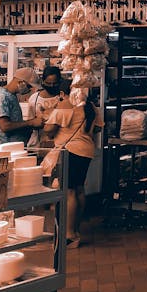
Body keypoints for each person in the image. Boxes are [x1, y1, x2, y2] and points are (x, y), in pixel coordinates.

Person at [43, 87, 103, 248]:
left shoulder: (66, 105)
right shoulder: (90, 106)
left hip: (70, 151)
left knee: (68, 192)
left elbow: (49, 130)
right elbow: (98, 127)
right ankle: (75, 230)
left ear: (66, 92)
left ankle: (68, 235)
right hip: (86, 150)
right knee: (79, 190)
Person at [0, 67, 44, 147]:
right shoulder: (2, 97)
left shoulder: (12, 96)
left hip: (13, 148)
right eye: (29, 86)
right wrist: (31, 122)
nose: (29, 90)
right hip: (4, 149)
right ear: (21, 82)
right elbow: (5, 126)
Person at [26, 66, 63, 148]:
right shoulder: (34, 98)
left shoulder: (64, 98)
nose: (52, 86)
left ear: (60, 82)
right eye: (48, 83)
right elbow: (29, 122)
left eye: (55, 83)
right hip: (37, 144)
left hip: (59, 145)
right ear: (43, 82)